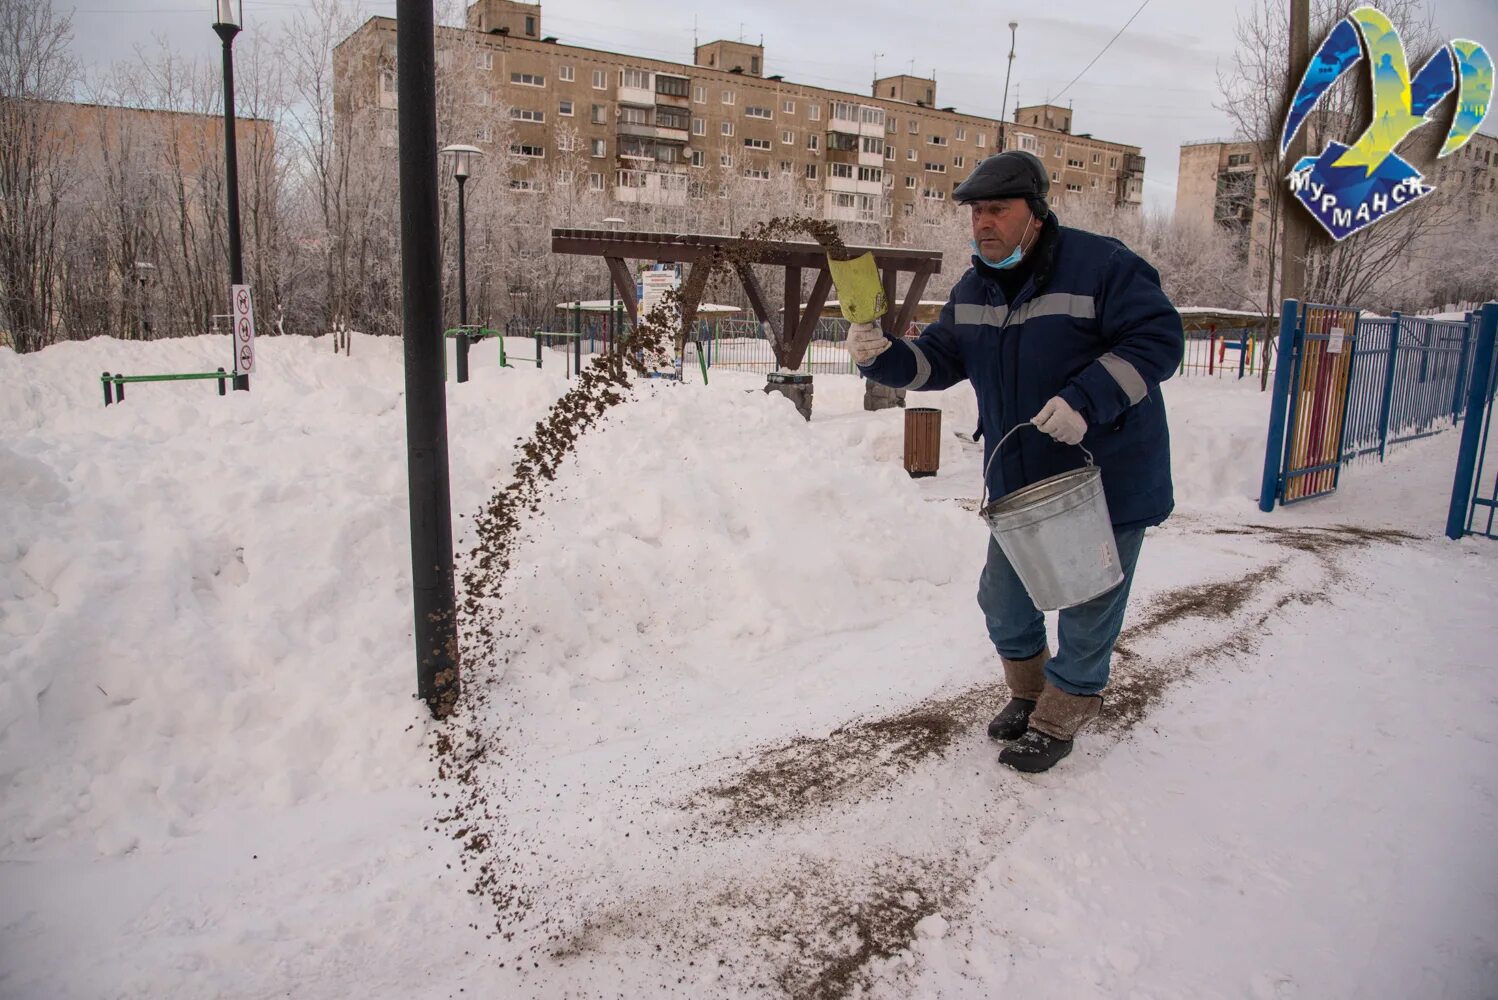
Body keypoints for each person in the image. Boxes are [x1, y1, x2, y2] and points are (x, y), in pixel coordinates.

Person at [848, 150, 1184, 773]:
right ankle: (1029, 694)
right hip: (1022, 480)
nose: (983, 223)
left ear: (1035, 211)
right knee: (1003, 599)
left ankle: (1065, 711)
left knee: (1087, 603)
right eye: (976, 211)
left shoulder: (1102, 266)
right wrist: (882, 356)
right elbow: (939, 362)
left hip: (1103, 477)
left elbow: (1160, 340)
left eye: (997, 209)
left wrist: (1088, 400)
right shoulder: (974, 289)